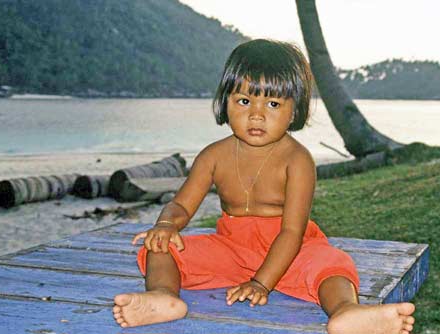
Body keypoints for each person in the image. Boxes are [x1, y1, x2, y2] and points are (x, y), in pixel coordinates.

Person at [112, 39, 416, 333]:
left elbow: (292, 232)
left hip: (289, 251)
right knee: (161, 247)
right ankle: (164, 297)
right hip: (231, 249)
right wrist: (166, 224)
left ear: (294, 110)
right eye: (244, 101)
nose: (256, 114)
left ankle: (347, 311)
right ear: (225, 102)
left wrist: (261, 283)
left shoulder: (297, 161)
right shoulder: (212, 156)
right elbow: (181, 204)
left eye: (272, 103)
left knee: (331, 262)